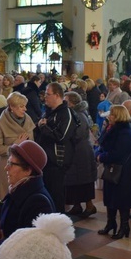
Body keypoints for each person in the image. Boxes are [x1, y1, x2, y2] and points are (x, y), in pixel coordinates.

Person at [0, 140, 54, 253]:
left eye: (11, 164)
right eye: (8, 162)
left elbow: (29, 250)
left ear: (28, 170)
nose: (6, 168)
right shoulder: (19, 189)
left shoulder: (38, 202)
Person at [35, 82, 76, 213]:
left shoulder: (66, 113)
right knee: (47, 194)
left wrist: (44, 127)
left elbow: (62, 137)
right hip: (45, 161)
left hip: (57, 162)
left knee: (56, 196)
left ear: (57, 95)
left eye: (48, 94)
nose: (45, 97)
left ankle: (58, 225)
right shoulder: (49, 112)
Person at [96, 105, 131, 239]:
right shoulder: (112, 129)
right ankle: (110, 223)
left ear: (118, 116)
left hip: (122, 170)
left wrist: (101, 157)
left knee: (121, 199)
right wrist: (99, 153)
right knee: (109, 197)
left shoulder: (125, 132)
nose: (109, 116)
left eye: (111, 115)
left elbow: (119, 154)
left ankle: (124, 226)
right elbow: (103, 144)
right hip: (111, 168)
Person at [0, 92, 35, 199]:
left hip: (25, 166)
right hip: (9, 166)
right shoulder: (0, 124)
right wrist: (15, 145)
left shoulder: (27, 119)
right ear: (11, 107)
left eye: (25, 106)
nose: (25, 109)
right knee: (9, 198)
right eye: (21, 106)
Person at [63, 91, 97, 217]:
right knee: (75, 180)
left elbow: (79, 133)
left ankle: (90, 206)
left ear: (71, 102)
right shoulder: (74, 113)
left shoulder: (79, 115)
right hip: (76, 151)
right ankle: (77, 205)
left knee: (84, 180)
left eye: (65, 100)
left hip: (81, 151)